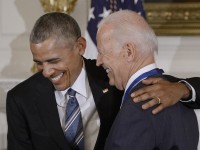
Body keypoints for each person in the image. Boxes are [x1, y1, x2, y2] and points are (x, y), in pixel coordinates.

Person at [6, 12, 200, 150]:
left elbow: (155, 81)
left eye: (54, 61)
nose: (46, 71)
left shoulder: (113, 76)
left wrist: (184, 89)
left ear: (80, 46)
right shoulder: (21, 98)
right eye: (39, 63)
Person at [96, 10, 199, 150]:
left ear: (129, 52)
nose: (98, 61)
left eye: (102, 52)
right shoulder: (180, 96)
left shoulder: (137, 108)